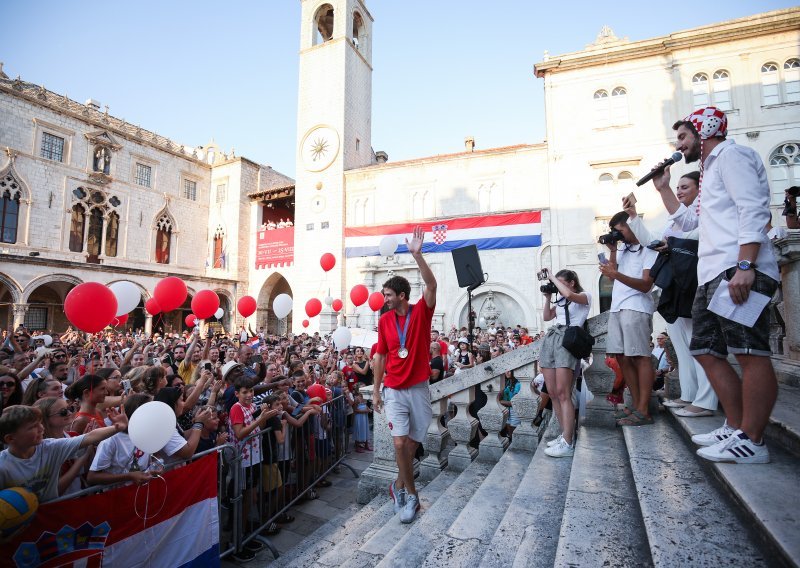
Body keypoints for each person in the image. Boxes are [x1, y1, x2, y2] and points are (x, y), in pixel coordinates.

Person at [655, 106, 780, 463]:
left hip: (736, 269)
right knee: (705, 350)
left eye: (683, 136)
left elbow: (754, 210)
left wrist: (746, 264)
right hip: (712, 274)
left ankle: (753, 441)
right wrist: (664, 189)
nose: (678, 144)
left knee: (749, 352)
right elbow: (688, 220)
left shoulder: (733, 156)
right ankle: (736, 426)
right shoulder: (709, 172)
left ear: (704, 130)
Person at [626, 170, 719, 418]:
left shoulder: (705, 211)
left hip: (695, 281)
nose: (679, 191)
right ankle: (690, 393)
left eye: (685, 187)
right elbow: (653, 241)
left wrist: (674, 245)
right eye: (677, 187)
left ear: (700, 190)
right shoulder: (673, 220)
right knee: (680, 341)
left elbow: (700, 237)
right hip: (675, 283)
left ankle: (707, 399)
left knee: (697, 340)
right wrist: (634, 216)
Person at [372, 226, 436, 524]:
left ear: (401, 295)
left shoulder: (422, 311)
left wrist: (418, 255)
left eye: (388, 294)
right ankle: (412, 496)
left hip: (419, 388)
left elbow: (432, 285)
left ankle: (397, 484)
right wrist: (375, 391)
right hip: (393, 389)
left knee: (411, 445)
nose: (384, 298)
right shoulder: (384, 320)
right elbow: (381, 356)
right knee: (399, 444)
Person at [599, 211, 658, 427]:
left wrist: (616, 275)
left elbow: (645, 285)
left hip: (637, 306)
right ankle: (635, 405)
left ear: (632, 226)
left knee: (640, 356)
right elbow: (611, 275)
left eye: (620, 229)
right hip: (618, 307)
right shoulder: (622, 249)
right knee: (622, 357)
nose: (617, 234)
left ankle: (644, 409)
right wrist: (613, 251)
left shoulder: (649, 247)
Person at [1, 404, 128, 502]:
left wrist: (117, 427)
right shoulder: (3, 466)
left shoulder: (50, 447)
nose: (41, 428)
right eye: (32, 427)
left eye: (39, 423)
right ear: (10, 439)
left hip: (54, 513)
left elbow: (89, 437)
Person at [539, 269, 591, 457]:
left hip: (568, 340)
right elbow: (546, 317)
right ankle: (564, 435)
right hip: (552, 339)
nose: (557, 286)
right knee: (552, 392)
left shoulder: (584, 296)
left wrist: (552, 277)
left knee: (563, 393)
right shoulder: (560, 300)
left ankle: (568, 441)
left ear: (572, 282)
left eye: (560, 282)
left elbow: (569, 295)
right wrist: (547, 297)